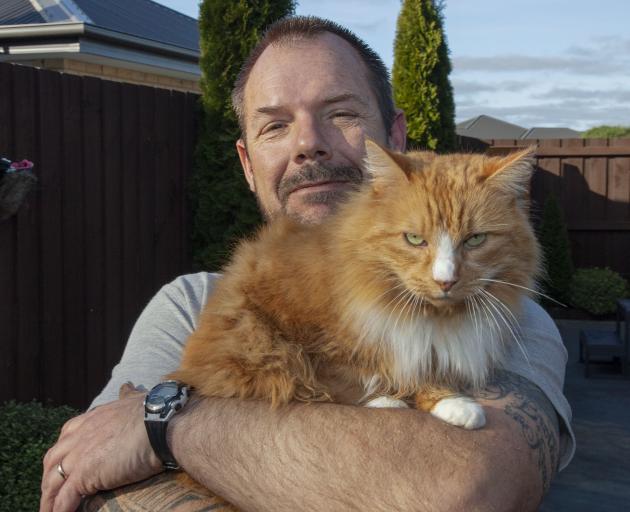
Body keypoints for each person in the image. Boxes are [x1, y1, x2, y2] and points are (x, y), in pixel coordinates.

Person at [40, 16, 575, 512]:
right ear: (248, 164)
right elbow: (93, 480)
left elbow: (467, 486)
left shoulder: (507, 313)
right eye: (274, 126)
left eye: (340, 114)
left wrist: (164, 424)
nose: (308, 146)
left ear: (394, 140)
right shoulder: (188, 303)